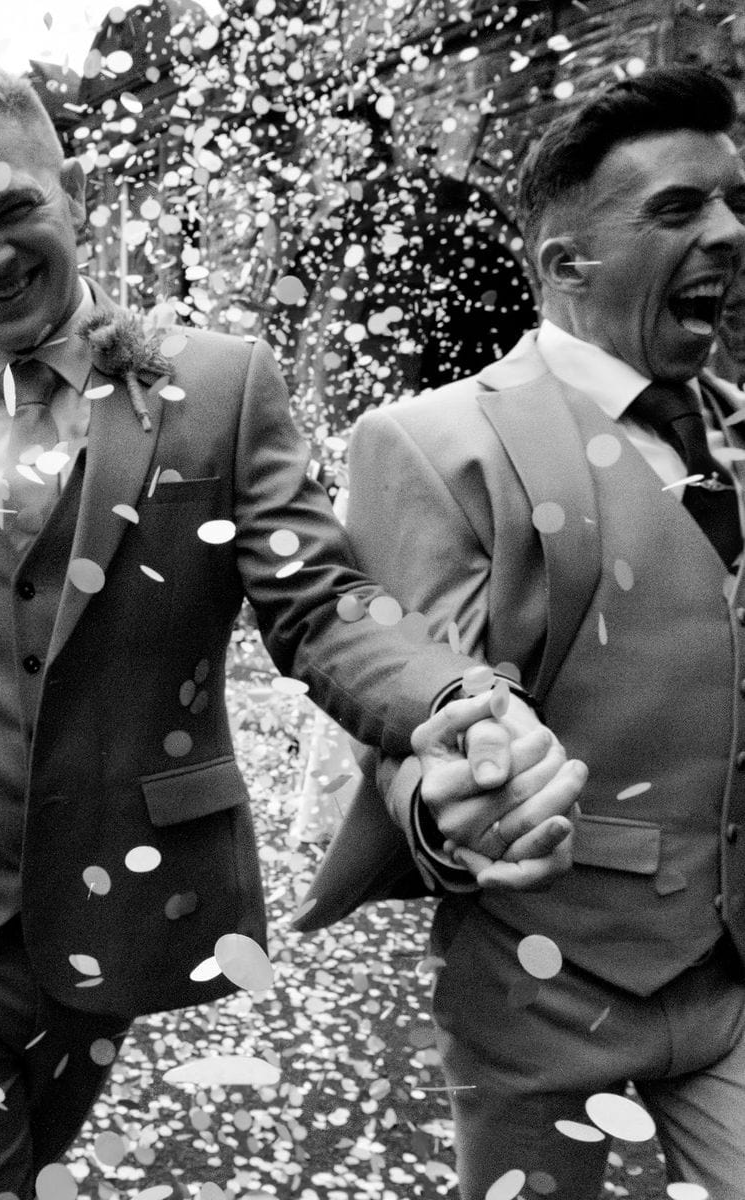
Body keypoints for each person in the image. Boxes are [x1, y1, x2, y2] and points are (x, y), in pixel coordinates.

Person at [0, 68, 585, 1199]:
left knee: (26, 1165)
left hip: (116, 916)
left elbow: (323, 608)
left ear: (75, 193)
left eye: (12, 214)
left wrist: (448, 704)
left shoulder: (218, 388)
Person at [297, 66, 745, 1199]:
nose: (730, 233)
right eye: (679, 209)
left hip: (732, 983)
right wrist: (453, 804)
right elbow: (404, 694)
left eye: (734, 199)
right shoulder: (432, 441)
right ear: (564, 264)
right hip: (545, 983)